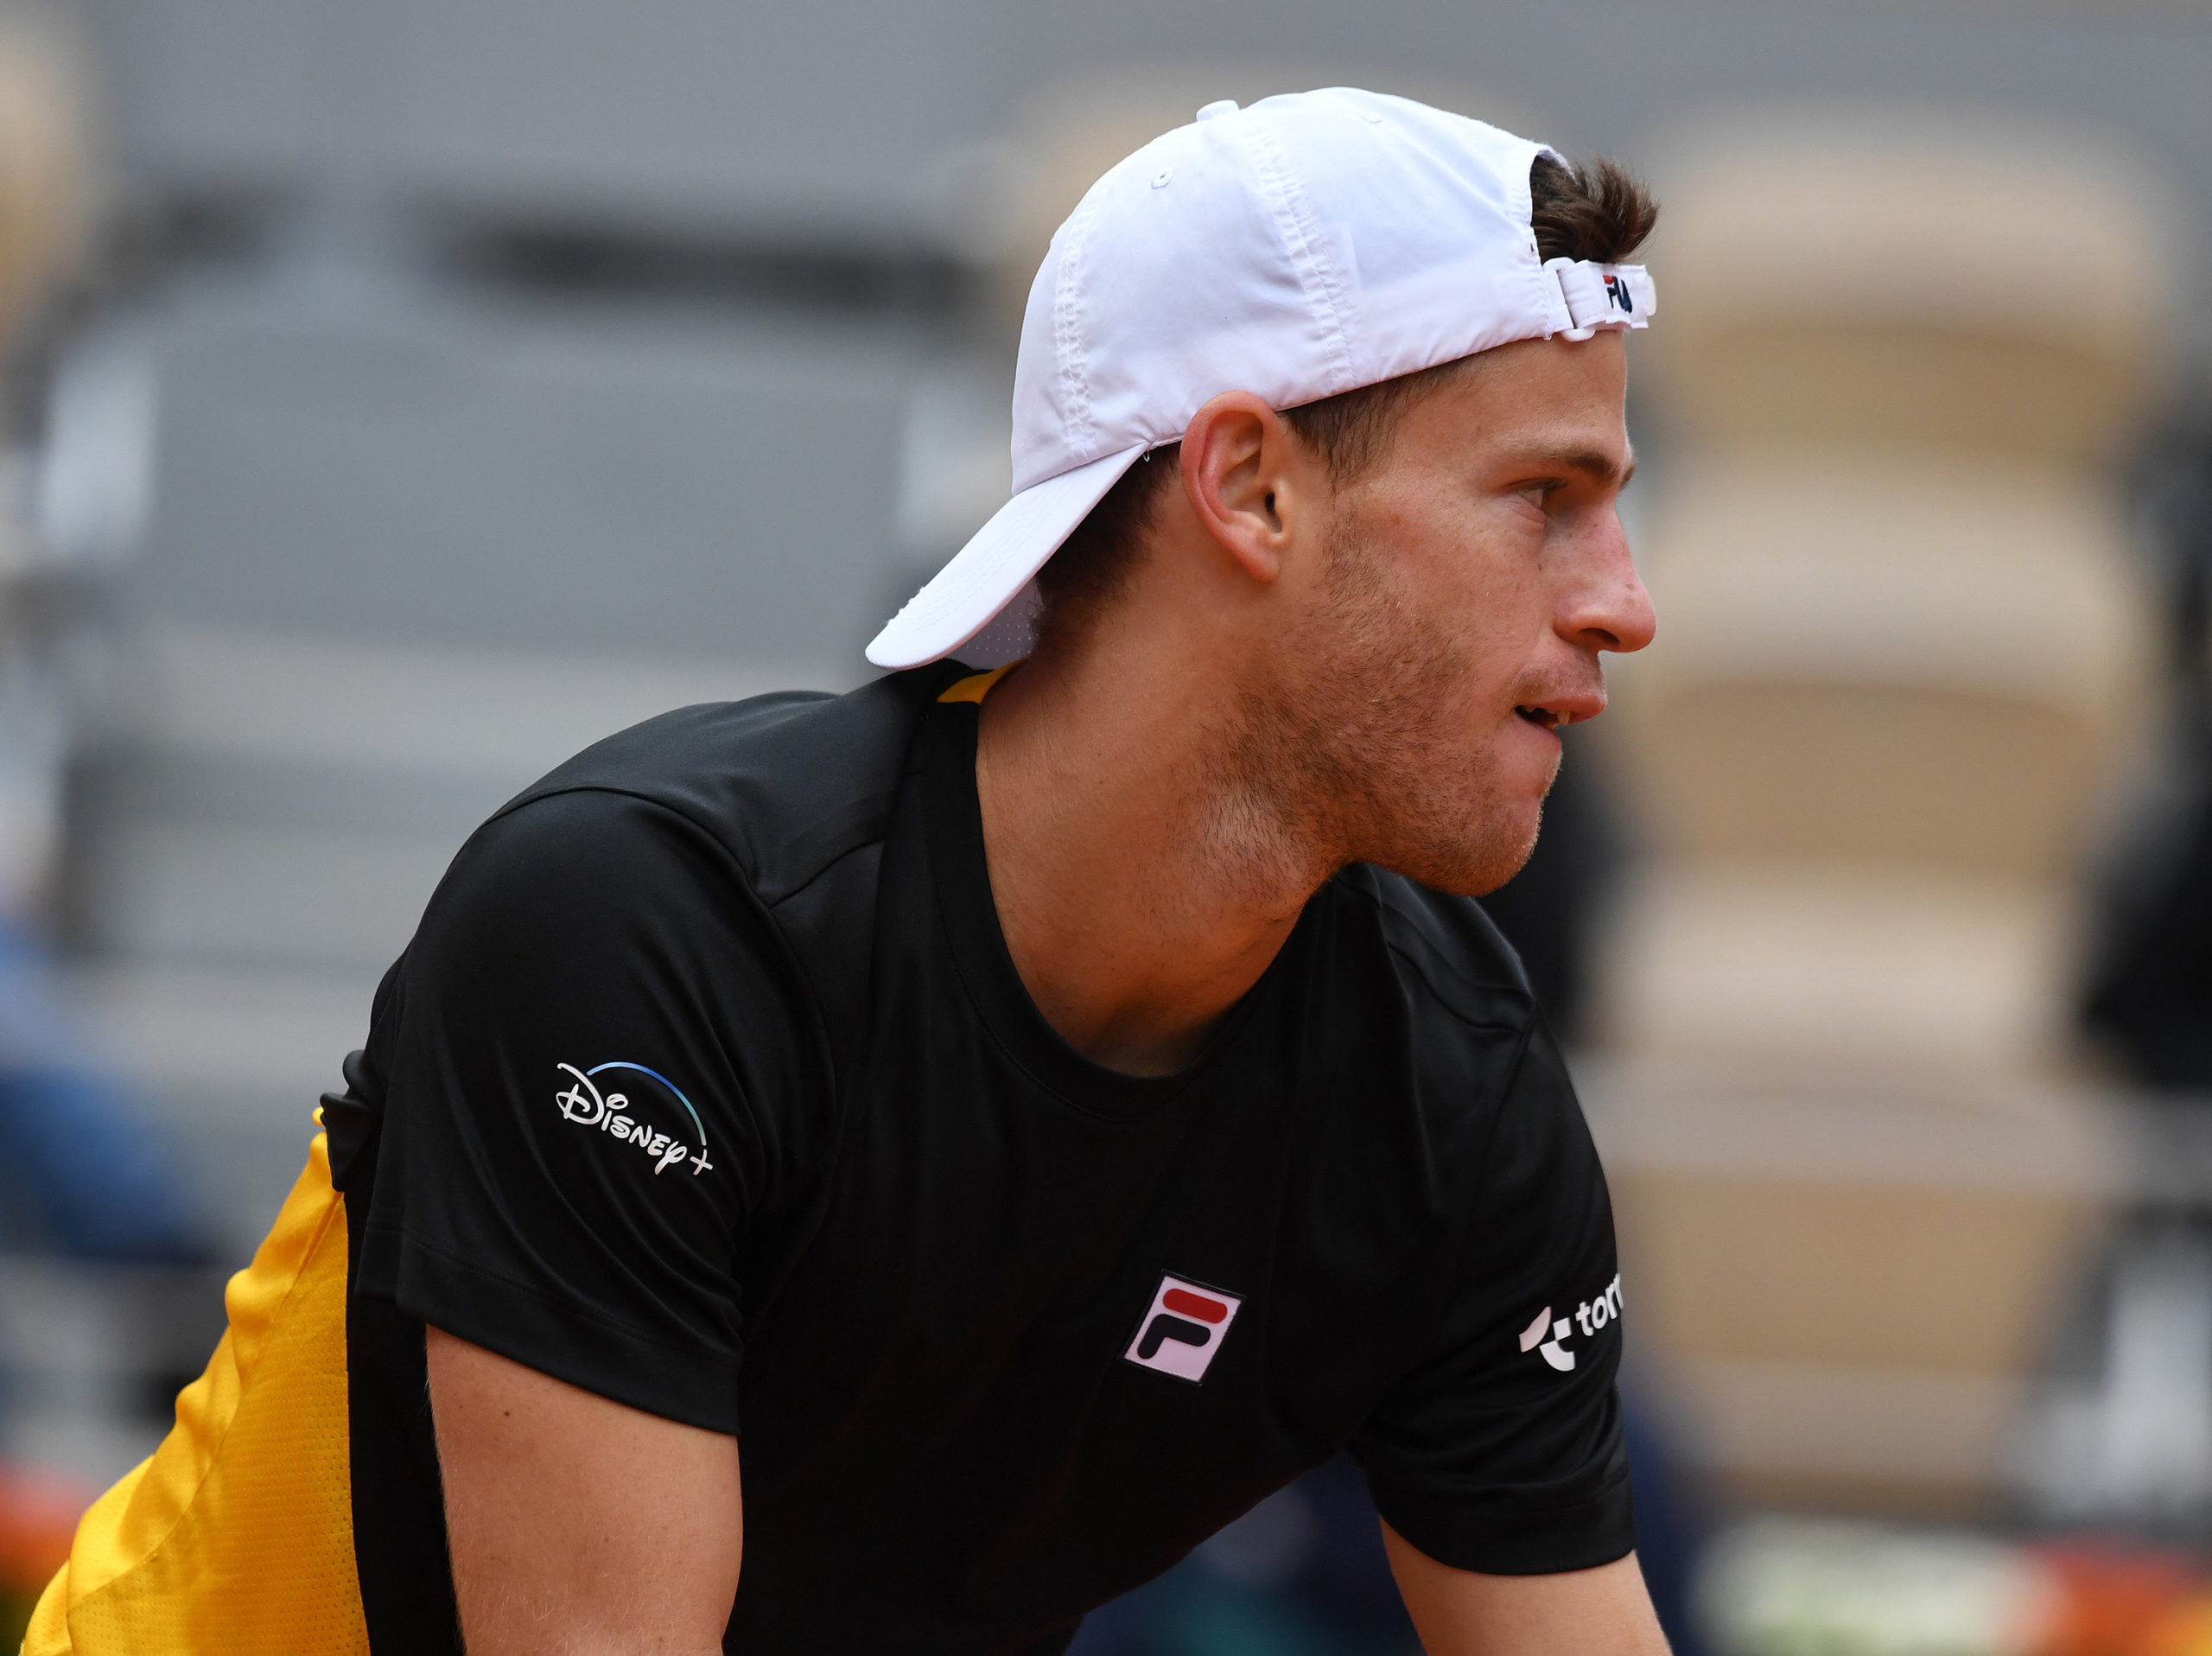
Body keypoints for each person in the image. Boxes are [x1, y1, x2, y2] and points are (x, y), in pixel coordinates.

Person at [29, 88, 1666, 1654]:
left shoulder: (1455, 1088)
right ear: (1250, 487)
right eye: (1544, 500)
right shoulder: (651, 930)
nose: (1626, 604)